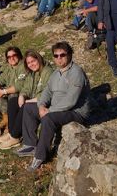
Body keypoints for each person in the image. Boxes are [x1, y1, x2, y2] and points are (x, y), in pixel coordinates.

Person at [16, 42, 91, 171]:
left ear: (70, 55)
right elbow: (47, 91)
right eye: (56, 56)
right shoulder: (56, 73)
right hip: (56, 108)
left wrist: (49, 110)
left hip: (75, 112)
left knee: (48, 118)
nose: (59, 58)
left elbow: (71, 101)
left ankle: (40, 156)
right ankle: (30, 144)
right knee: (28, 108)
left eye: (62, 55)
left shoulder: (76, 72)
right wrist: (41, 106)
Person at [0, 50, 52, 150]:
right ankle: (11, 133)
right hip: (33, 100)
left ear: (39, 59)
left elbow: (47, 93)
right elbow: (26, 88)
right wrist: (22, 95)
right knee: (14, 101)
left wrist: (29, 101)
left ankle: (15, 137)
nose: (31, 64)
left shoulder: (47, 72)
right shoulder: (32, 73)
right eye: (29, 63)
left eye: (33, 61)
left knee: (26, 106)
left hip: (43, 103)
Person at [0, 47, 25, 133]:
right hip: (12, 91)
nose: (12, 58)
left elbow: (19, 85)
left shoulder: (23, 66)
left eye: (14, 55)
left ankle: (11, 124)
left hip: (23, 94)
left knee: (12, 94)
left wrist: (4, 91)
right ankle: (6, 119)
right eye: (9, 57)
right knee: (2, 92)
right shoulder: (9, 68)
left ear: (19, 55)